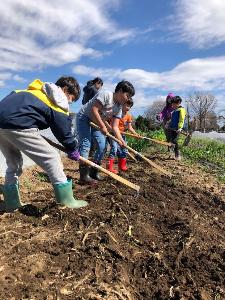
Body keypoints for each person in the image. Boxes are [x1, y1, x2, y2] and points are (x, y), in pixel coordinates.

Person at [0, 77, 88, 211]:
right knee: (52, 158)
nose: (70, 102)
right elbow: (63, 132)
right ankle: (66, 202)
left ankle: (12, 203)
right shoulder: (58, 98)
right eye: (71, 98)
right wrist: (72, 148)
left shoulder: (32, 91)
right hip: (18, 124)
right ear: (64, 90)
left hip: (2, 124)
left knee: (13, 162)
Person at [76, 80, 135, 184]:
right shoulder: (106, 95)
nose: (128, 99)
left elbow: (115, 127)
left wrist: (121, 140)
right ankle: (83, 176)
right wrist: (103, 126)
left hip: (97, 121)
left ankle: (94, 172)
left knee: (102, 146)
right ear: (120, 91)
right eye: (128, 95)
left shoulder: (119, 108)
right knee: (86, 144)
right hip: (84, 117)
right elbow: (94, 110)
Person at [107, 99, 138, 173]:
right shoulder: (116, 112)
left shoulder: (128, 116)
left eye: (130, 106)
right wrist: (109, 128)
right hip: (113, 134)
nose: (128, 108)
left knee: (124, 150)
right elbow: (107, 120)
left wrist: (135, 134)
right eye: (127, 105)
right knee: (114, 149)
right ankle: (109, 167)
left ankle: (122, 166)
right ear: (122, 104)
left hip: (122, 134)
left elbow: (129, 127)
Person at [168, 96, 186, 160]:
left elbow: (182, 119)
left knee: (175, 141)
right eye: (172, 103)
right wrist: (168, 124)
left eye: (173, 103)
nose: (172, 105)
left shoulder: (181, 110)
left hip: (177, 129)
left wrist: (180, 128)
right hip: (172, 128)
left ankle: (178, 155)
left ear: (178, 103)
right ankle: (173, 154)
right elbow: (172, 120)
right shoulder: (174, 111)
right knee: (172, 141)